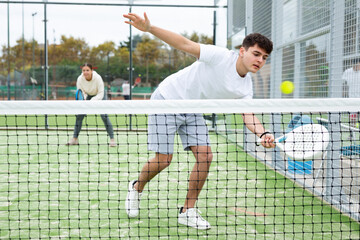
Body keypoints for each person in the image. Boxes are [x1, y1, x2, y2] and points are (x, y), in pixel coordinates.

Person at [123, 12, 275, 230]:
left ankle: (187, 210)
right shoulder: (220, 56)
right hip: (168, 99)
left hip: (193, 109)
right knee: (164, 159)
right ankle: (137, 187)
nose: (260, 60)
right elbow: (185, 44)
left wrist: (262, 133)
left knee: (205, 156)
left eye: (264, 58)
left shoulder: (245, 87)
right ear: (242, 51)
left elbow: (248, 114)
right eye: (256, 54)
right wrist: (150, 28)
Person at [66, 63, 116, 147]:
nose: (85, 72)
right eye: (84, 70)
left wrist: (92, 101)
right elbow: (81, 92)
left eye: (87, 70)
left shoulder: (98, 78)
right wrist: (85, 99)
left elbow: (101, 94)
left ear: (92, 70)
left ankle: (112, 139)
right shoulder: (80, 79)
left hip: (100, 95)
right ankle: (75, 139)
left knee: (104, 116)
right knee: (79, 116)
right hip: (88, 95)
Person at [342, 58, 360, 139]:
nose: (357, 67)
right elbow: (343, 83)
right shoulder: (347, 72)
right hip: (352, 100)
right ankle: (352, 135)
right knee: (352, 118)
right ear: (353, 65)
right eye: (356, 65)